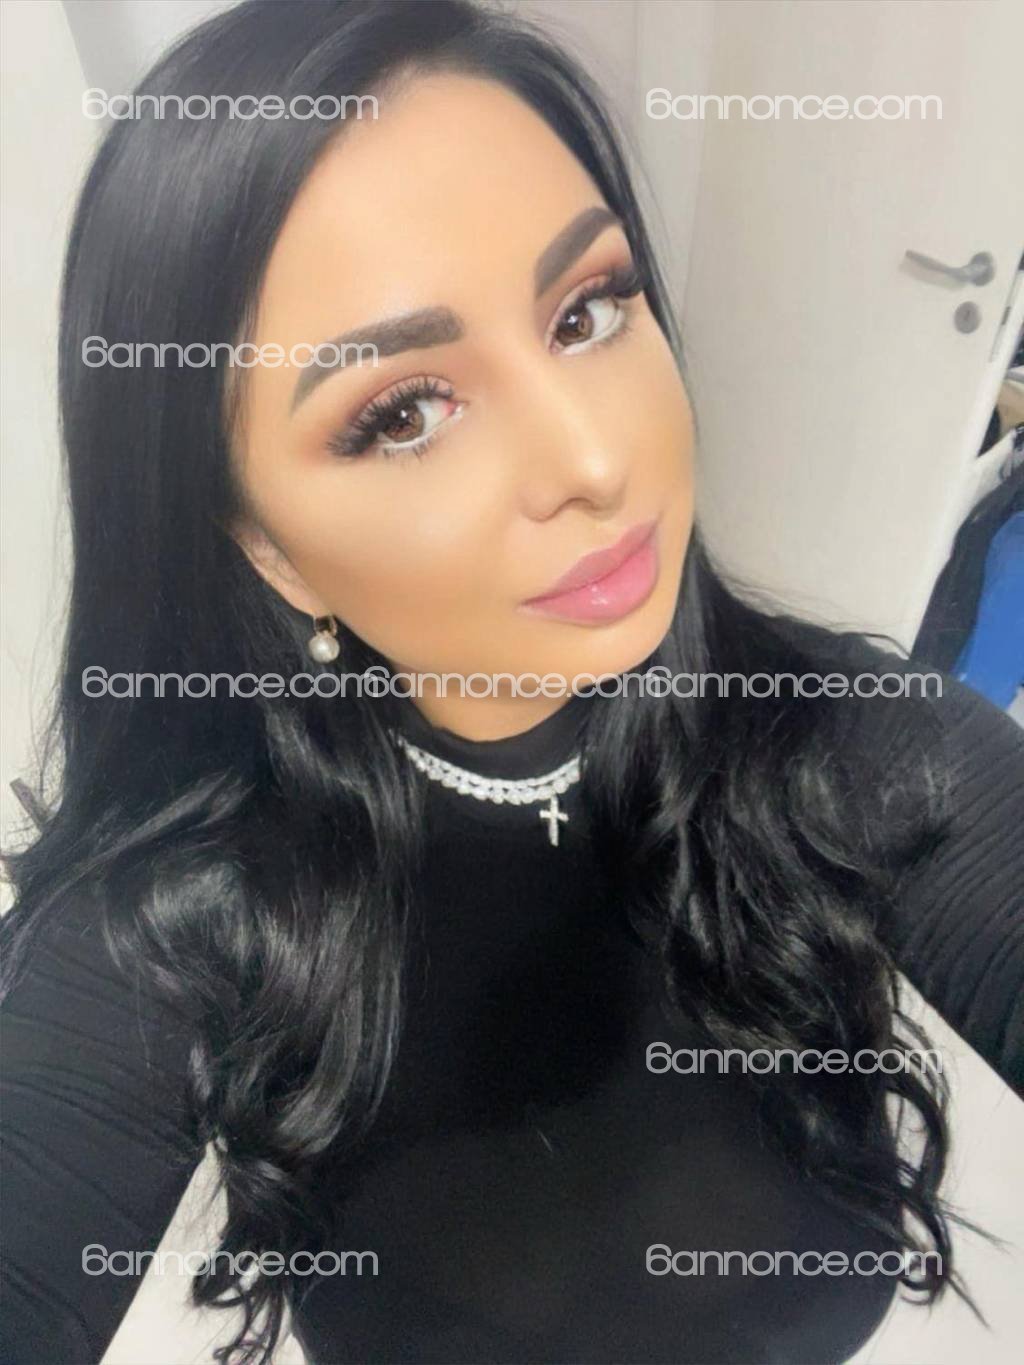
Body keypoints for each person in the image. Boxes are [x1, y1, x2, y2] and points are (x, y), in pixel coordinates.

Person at [1, 2, 1021, 1362]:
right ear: (266, 547)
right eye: (403, 413)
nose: (594, 460)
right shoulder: (192, 914)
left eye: (587, 311)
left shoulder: (856, 747)